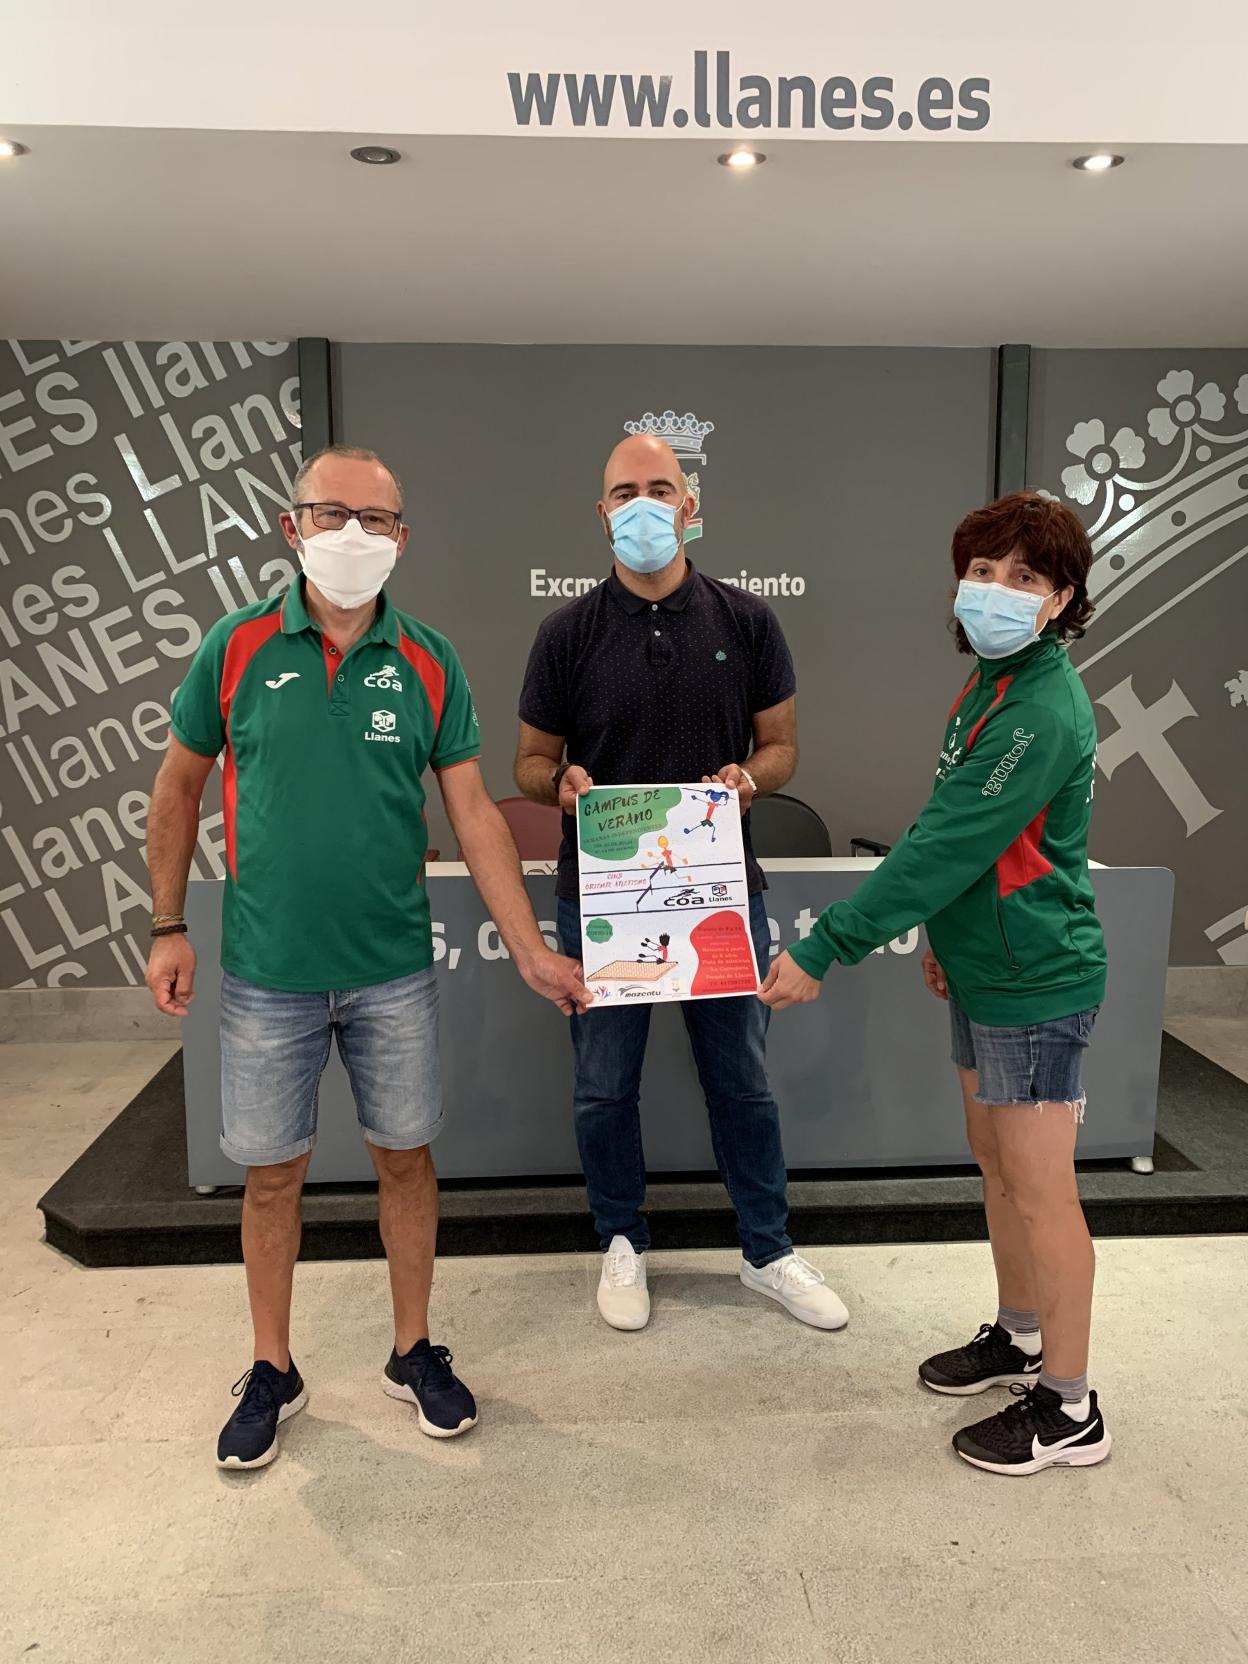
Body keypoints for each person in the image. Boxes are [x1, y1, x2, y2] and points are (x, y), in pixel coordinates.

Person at [144, 443, 590, 1470]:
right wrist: (168, 924)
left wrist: (531, 947)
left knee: (405, 1159)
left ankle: (411, 1348)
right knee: (272, 1178)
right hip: (267, 973)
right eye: (330, 513)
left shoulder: (429, 658)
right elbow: (177, 787)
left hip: (392, 968)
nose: (352, 533)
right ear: (290, 527)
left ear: (403, 536)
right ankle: (272, 1366)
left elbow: (473, 812)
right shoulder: (236, 646)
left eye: (375, 518)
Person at [761, 491, 1111, 1476]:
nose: (996, 589)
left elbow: (947, 845)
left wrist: (826, 946)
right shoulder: (991, 683)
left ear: (1061, 599)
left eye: (1025, 577)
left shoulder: (1038, 709)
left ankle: (1071, 1406)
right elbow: (954, 823)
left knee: (1043, 1190)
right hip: (984, 966)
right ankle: (1020, 1333)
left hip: (1037, 977)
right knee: (997, 1164)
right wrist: (946, 941)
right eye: (983, 571)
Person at [514, 431, 847, 1333]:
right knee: (602, 1085)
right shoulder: (565, 633)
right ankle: (622, 1240)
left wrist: (749, 779)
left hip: (718, 890)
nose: (643, 506)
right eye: (625, 493)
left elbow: (781, 747)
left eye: (660, 489)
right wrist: (561, 784)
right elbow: (530, 762)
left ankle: (767, 1251)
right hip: (603, 895)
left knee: (742, 1081)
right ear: (602, 513)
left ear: (690, 505)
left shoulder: (747, 621)